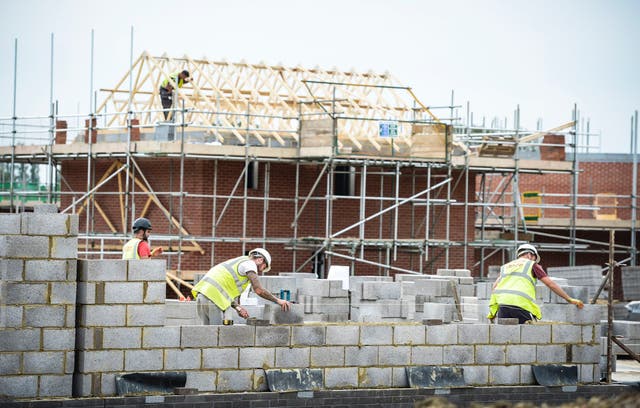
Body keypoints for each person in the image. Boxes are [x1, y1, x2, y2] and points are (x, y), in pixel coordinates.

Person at [191, 248, 292, 325]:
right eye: (263, 267)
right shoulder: (250, 264)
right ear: (260, 260)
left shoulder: (240, 262)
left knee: (206, 334)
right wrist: (278, 301)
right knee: (216, 335)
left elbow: (223, 292)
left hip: (203, 296)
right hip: (213, 300)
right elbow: (258, 290)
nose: (260, 271)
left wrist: (238, 308)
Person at [487, 243, 584, 324]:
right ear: (530, 255)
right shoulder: (532, 264)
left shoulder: (506, 266)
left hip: (503, 306)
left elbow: (494, 288)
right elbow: (550, 284)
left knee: (507, 339)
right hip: (520, 305)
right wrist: (569, 299)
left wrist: (492, 313)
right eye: (534, 258)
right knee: (527, 338)